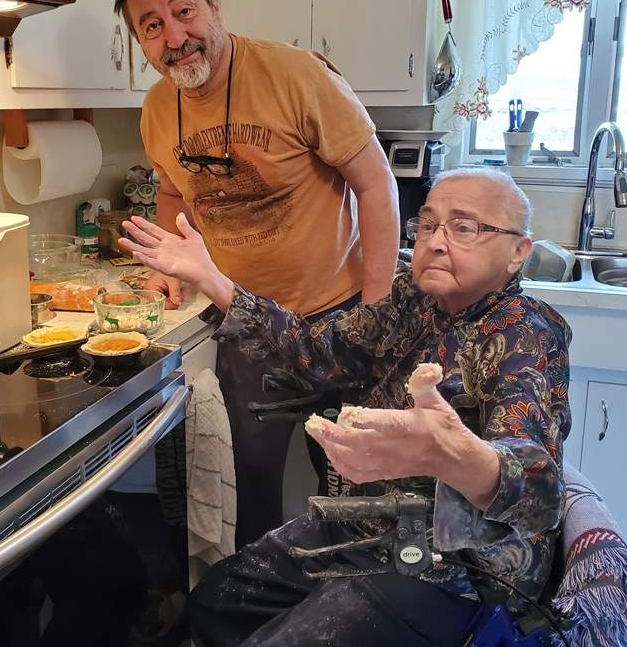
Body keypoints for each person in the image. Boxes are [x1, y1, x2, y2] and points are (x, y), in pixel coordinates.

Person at [119, 167, 572, 646]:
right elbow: (319, 352)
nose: (437, 242)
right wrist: (213, 279)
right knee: (216, 600)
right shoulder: (414, 302)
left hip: (458, 569)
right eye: (428, 225)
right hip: (373, 525)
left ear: (518, 252)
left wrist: (453, 455)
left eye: (464, 228)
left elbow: (540, 490)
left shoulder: (527, 338)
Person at [114, 0, 400, 546]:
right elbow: (172, 194)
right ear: (141, 43)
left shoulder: (297, 74)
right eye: (152, 26)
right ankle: (263, 621)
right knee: (250, 486)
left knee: (352, 489)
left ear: (215, 7)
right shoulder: (157, 109)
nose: (175, 36)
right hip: (243, 325)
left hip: (336, 319)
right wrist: (173, 263)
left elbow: (376, 186)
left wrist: (377, 312)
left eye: (184, 11)